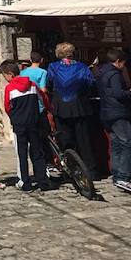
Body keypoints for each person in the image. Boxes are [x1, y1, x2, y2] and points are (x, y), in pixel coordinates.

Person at [46, 42, 98, 179]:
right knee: (84, 140)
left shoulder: (53, 67)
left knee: (65, 139)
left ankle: (70, 169)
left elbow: (49, 84)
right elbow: (91, 83)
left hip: (61, 107)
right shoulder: (81, 67)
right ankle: (91, 171)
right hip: (80, 106)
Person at [0, 59, 51, 192]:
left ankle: (25, 182)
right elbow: (43, 98)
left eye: (5, 76)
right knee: (37, 152)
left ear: (10, 74)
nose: (5, 79)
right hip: (34, 122)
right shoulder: (32, 84)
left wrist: (14, 117)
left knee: (22, 154)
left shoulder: (10, 88)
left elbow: (7, 107)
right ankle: (43, 181)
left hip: (19, 125)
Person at [97, 48, 131, 194]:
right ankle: (124, 177)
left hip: (106, 113)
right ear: (118, 62)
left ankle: (117, 174)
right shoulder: (115, 74)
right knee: (128, 145)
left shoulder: (101, 72)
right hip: (117, 113)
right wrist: (130, 92)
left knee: (116, 145)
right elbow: (118, 93)